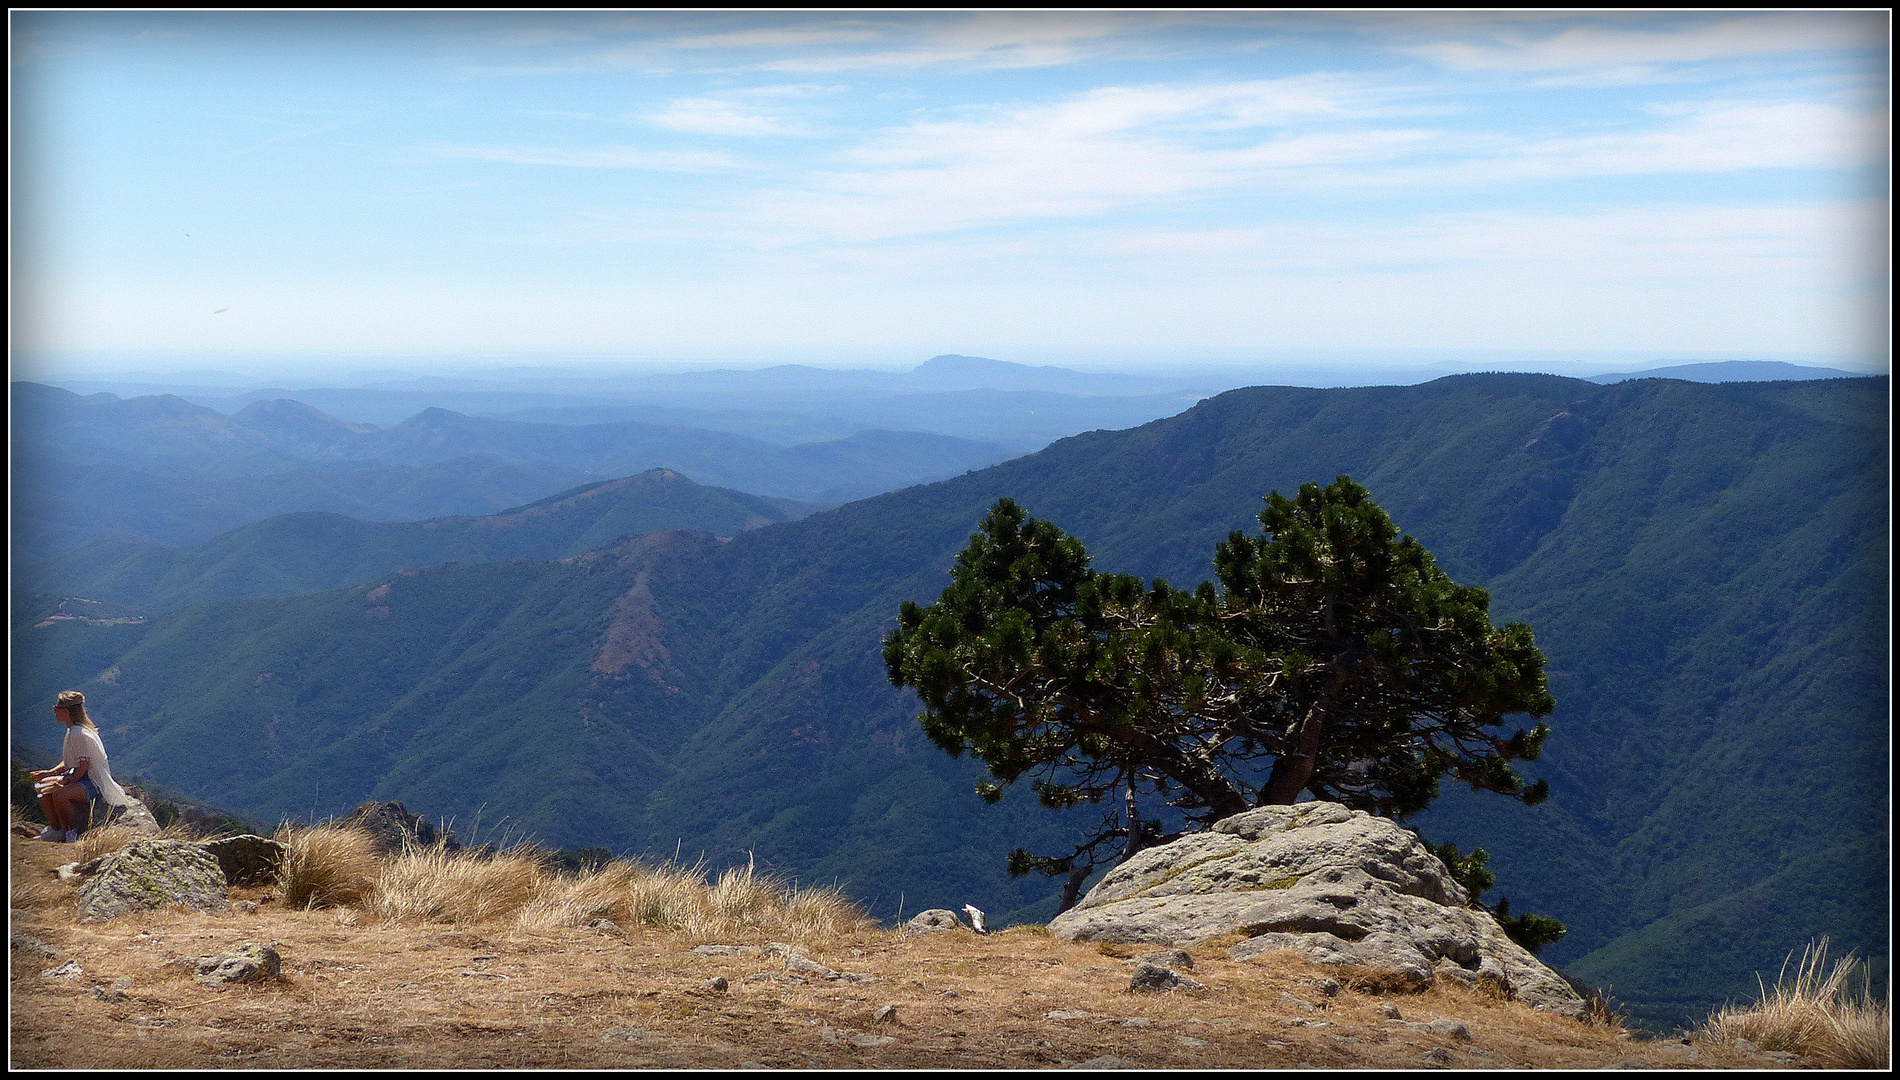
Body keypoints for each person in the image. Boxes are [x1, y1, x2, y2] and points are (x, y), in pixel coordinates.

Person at [28, 691, 130, 842]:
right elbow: (70, 761)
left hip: (93, 782)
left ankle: (70, 832)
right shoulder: (75, 730)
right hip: (82, 777)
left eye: (57, 707)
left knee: (59, 794)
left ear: (66, 711)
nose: (54, 710)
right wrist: (49, 773)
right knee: (41, 788)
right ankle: (56, 829)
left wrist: (67, 783)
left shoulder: (78, 733)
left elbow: (83, 766)